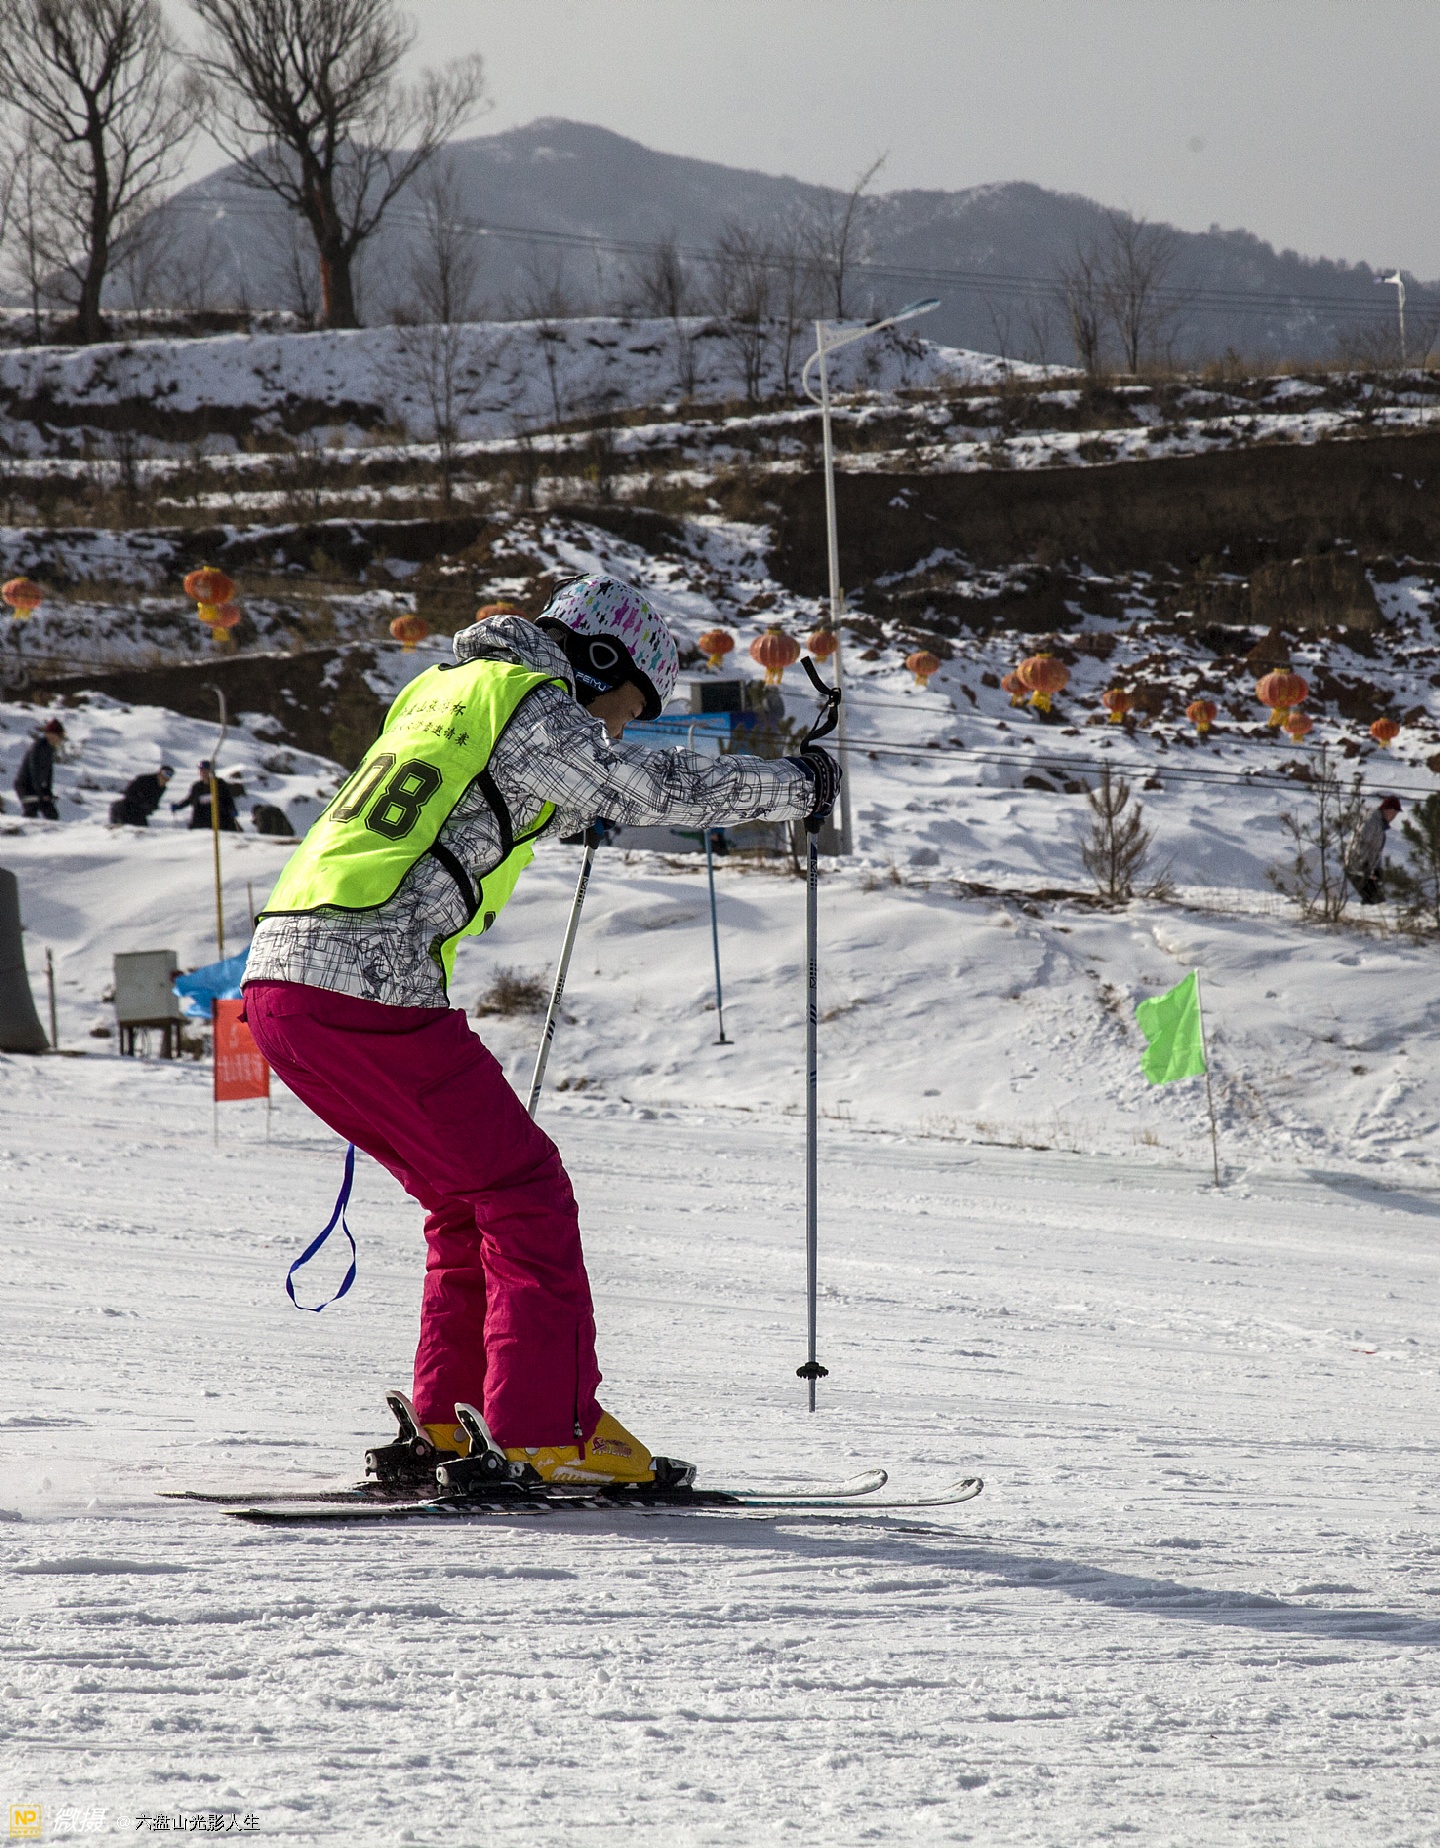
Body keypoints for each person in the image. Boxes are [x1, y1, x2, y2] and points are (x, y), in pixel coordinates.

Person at [242, 575, 839, 1492]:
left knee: (466, 1198)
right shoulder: (530, 696)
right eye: (624, 709)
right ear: (598, 660)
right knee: (527, 1194)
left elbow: (471, 803)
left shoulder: (445, 688)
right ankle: (545, 1433)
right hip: (371, 978)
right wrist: (795, 785)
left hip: (283, 981)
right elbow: (645, 784)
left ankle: (452, 1425)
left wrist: (575, 807)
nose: (614, 732)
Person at [1347, 795, 1401, 904]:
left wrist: (1377, 869)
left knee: (1375, 900)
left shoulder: (1379, 824)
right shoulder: (1371, 821)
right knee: (1372, 901)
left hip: (1365, 869)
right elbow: (1360, 843)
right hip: (1356, 868)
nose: (1394, 816)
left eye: (1396, 814)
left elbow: (1375, 850)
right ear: (1386, 810)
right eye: (1393, 813)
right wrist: (1364, 864)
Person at [13, 718, 64, 820]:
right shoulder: (38, 746)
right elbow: (34, 771)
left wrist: (48, 791)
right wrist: (40, 792)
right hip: (24, 786)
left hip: (36, 787)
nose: (60, 739)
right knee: (31, 811)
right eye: (59, 736)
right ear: (50, 734)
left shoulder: (50, 749)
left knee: (52, 814)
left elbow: (49, 772)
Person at [172, 760, 244, 831]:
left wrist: (232, 809)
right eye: (201, 771)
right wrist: (178, 806)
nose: (203, 773)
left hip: (221, 822)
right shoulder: (197, 787)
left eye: (206, 770)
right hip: (201, 823)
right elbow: (189, 799)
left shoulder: (220, 784)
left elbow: (228, 799)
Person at [109, 764, 173, 827]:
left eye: (170, 775)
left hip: (140, 813)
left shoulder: (162, 788)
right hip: (125, 809)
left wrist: (153, 807)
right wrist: (142, 803)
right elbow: (129, 793)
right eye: (165, 774)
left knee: (143, 831)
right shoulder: (144, 779)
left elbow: (154, 801)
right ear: (159, 773)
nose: (166, 778)